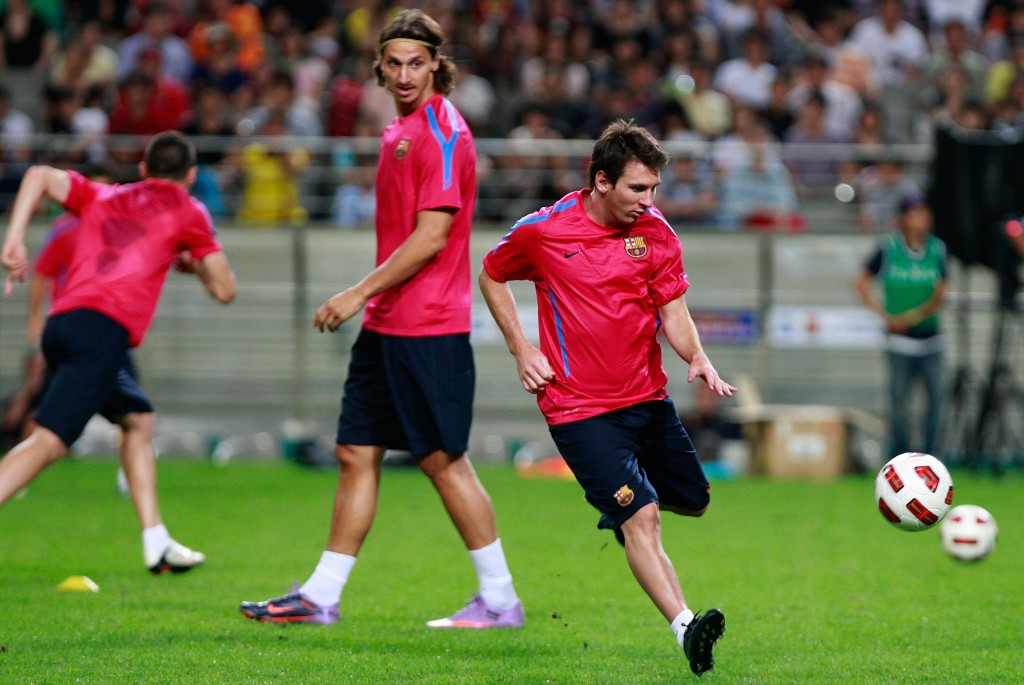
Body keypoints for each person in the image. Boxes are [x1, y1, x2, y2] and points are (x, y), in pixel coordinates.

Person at [240, 9, 522, 629]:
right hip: (390, 326)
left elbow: (431, 238)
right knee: (354, 450)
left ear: (435, 66)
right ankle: (320, 596)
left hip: (430, 326)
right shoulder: (401, 129)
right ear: (380, 67)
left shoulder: (444, 133)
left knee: (444, 462)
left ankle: (500, 600)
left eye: (415, 63)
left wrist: (355, 294)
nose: (403, 74)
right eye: (393, 63)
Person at [478, 119, 732, 676]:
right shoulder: (543, 231)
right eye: (638, 189)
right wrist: (521, 348)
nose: (649, 201)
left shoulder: (658, 233)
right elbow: (492, 273)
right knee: (642, 518)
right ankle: (686, 628)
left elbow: (674, 311)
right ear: (600, 181)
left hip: (646, 399)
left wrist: (697, 356)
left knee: (693, 499)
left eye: (655, 189)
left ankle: (618, 504)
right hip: (578, 408)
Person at [0, 131, 237, 573]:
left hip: (65, 323)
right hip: (102, 332)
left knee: (137, 418)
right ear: (191, 175)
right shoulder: (190, 210)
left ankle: (156, 542)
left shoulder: (103, 194)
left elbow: (37, 174)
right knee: (49, 442)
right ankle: (155, 541)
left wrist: (14, 239)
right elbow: (225, 289)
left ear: (144, 170)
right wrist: (191, 263)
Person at [854, 193, 948, 456]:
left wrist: (914, 316)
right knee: (900, 406)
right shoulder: (889, 248)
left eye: (925, 213)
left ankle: (932, 457)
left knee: (935, 402)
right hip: (899, 342)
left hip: (930, 339)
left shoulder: (936, 249)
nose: (922, 218)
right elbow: (861, 282)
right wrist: (885, 316)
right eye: (915, 213)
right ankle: (900, 456)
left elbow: (941, 293)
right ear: (903, 218)